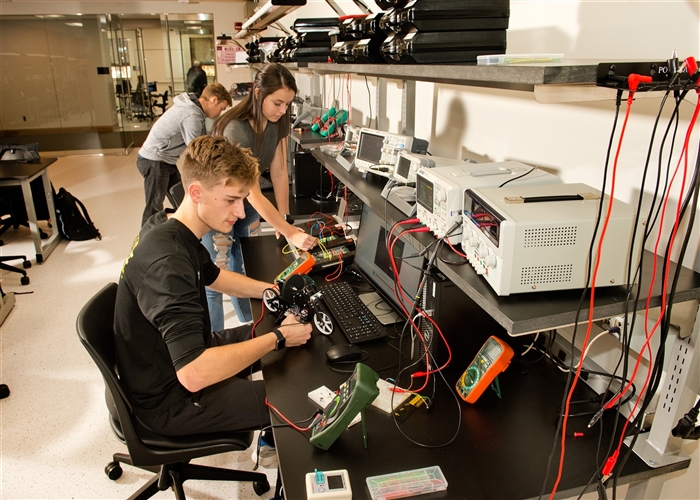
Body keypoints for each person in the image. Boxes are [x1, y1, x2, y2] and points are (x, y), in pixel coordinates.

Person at [114, 135, 312, 465]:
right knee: (296, 399)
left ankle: (271, 428)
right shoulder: (169, 266)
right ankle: (276, 441)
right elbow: (194, 373)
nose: (240, 211)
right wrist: (278, 338)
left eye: (243, 199)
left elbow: (217, 278)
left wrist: (270, 289)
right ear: (196, 192)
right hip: (170, 400)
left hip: (173, 358)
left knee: (269, 329)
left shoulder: (169, 227)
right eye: (231, 200)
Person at [203, 62, 316, 328]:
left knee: (244, 267)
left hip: (246, 201)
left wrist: (285, 219)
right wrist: (288, 230)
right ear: (257, 93)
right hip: (219, 203)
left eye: (287, 104)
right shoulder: (235, 129)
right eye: (277, 103)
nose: (283, 110)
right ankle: (217, 345)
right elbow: (252, 192)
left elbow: (278, 173)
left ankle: (248, 327)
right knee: (216, 278)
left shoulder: (278, 122)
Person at [137, 83, 231, 227]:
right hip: (154, 160)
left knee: (182, 198)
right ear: (213, 99)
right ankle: (144, 244)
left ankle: (183, 233)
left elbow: (202, 140)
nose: (219, 113)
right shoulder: (191, 114)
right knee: (154, 208)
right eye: (221, 108)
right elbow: (197, 149)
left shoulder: (193, 110)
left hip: (165, 161)